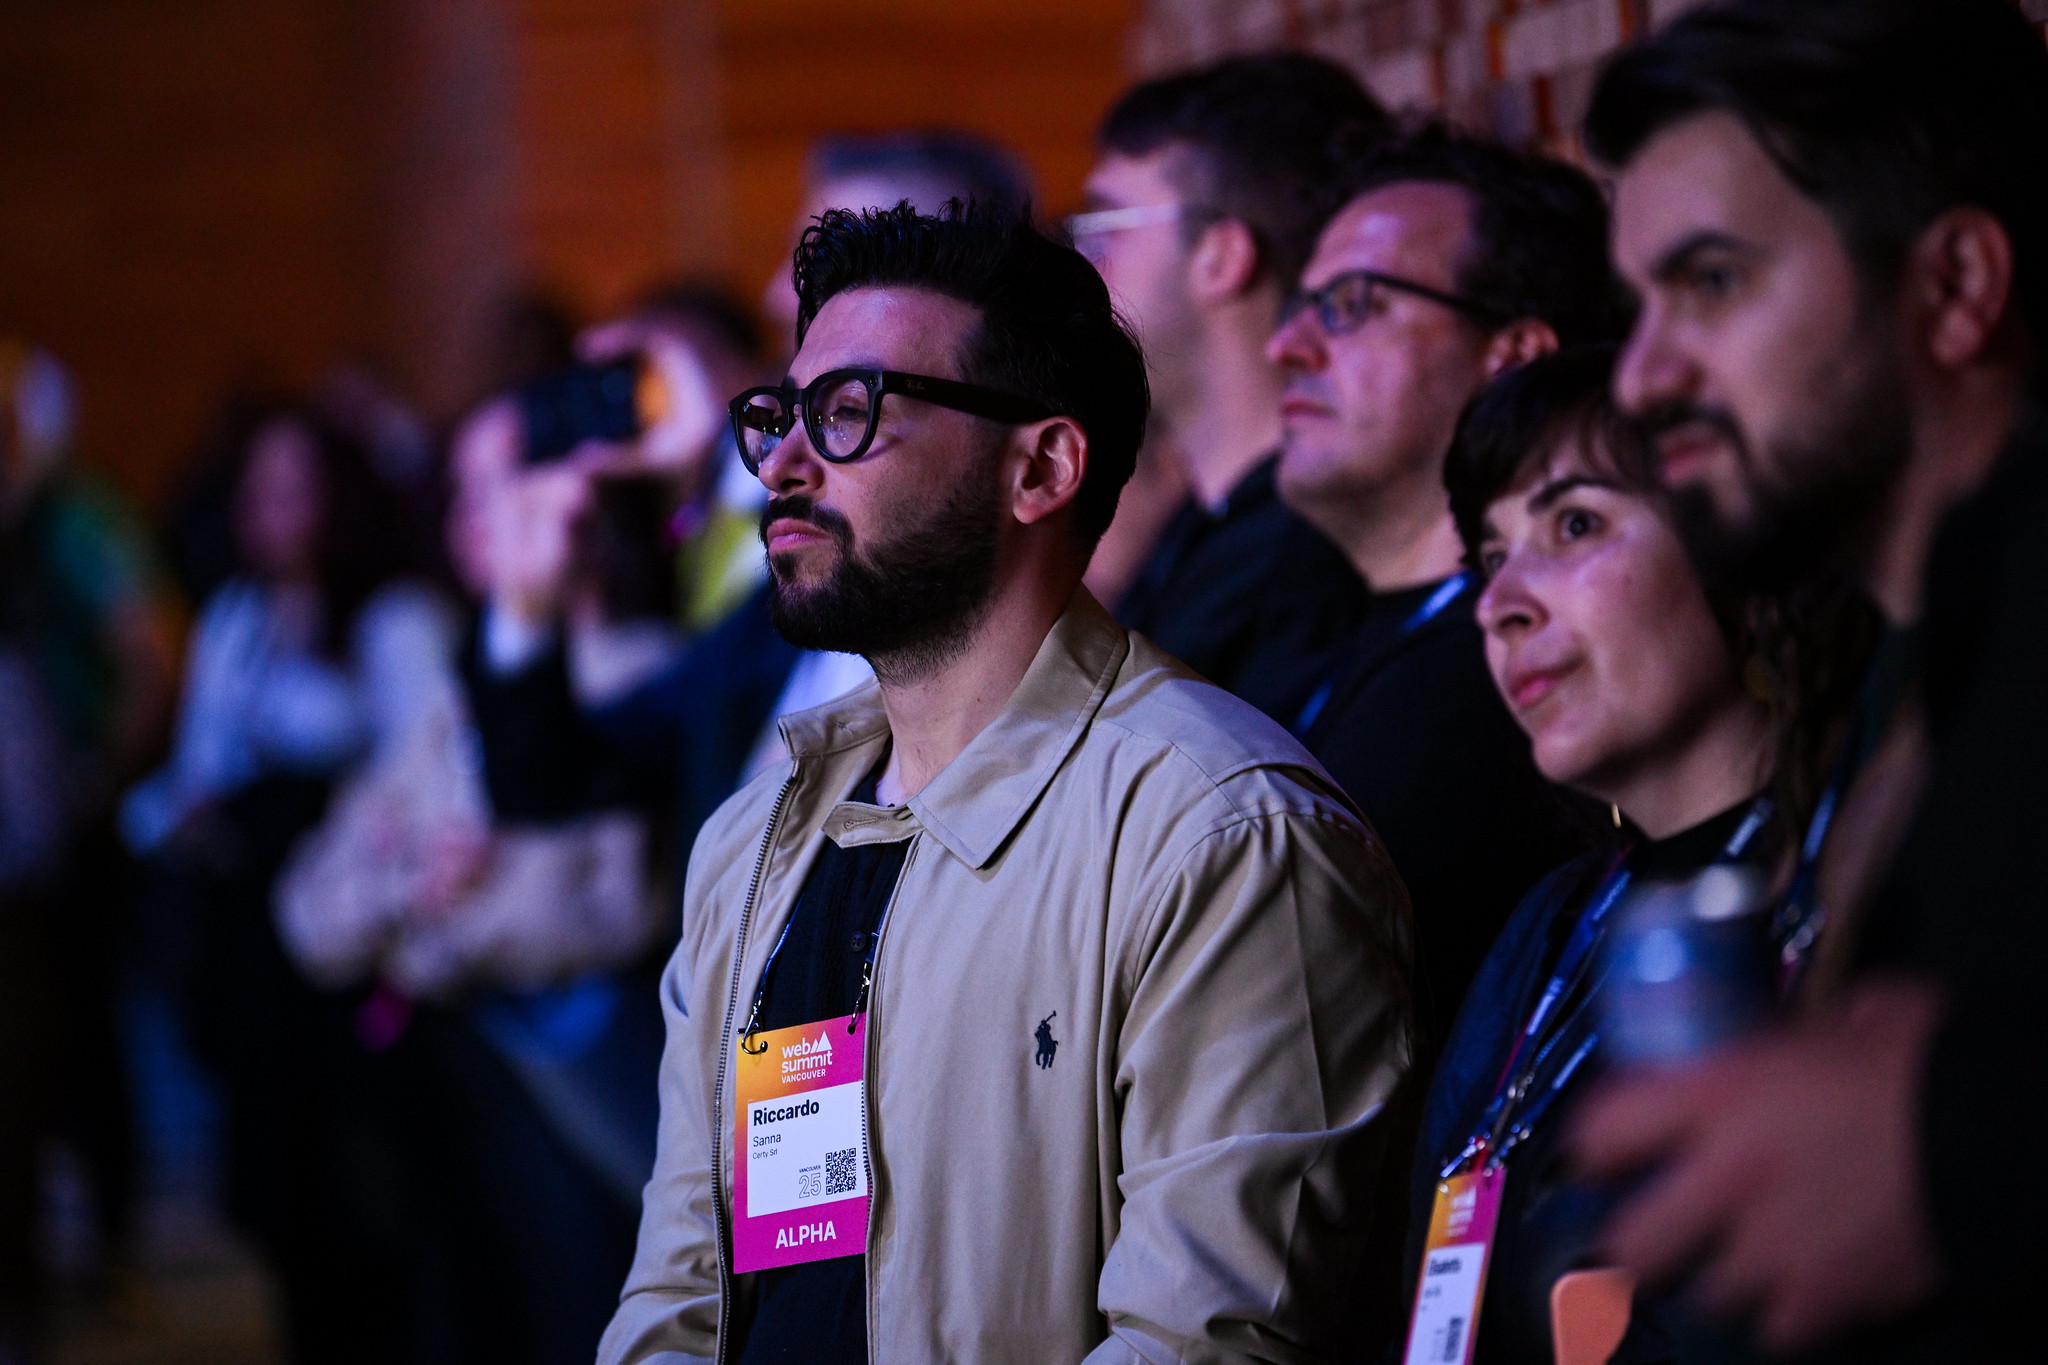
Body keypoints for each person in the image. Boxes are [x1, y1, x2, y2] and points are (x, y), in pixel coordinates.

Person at [597, 202, 1414, 1365]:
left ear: (1039, 466)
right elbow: (680, 1298)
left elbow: (1204, 1345)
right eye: (780, 415)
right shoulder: (752, 845)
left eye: (847, 415)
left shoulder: (1221, 836)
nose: (781, 464)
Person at [1567, 2, 2048, 1356]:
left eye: (1712, 282)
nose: (1648, 375)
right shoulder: (1911, 659)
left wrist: (1957, 1135)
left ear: (1954, 288)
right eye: (1638, 303)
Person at [1404, 345, 1871, 1364]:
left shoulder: (1852, 886)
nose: (1500, 603)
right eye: (1487, 558)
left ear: (1730, 546)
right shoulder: (1546, 923)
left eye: (1572, 524)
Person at [1266, 124, 1623, 1038]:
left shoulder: (1522, 667)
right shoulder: (1327, 629)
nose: (1289, 347)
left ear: (1510, 355)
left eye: (1351, 304)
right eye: (1300, 305)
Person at [121, 405, 432, 1364]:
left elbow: (426, 777)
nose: (273, 510)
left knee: (363, 1205)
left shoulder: (390, 622)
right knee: (277, 1192)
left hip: (358, 959)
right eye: (259, 489)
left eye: (294, 487)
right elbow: (200, 766)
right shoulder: (238, 619)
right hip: (253, 946)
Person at [1076, 53, 1385, 723]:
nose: (1080, 276)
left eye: (1103, 232)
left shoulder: (1298, 558)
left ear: (1221, 257)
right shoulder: (1197, 530)